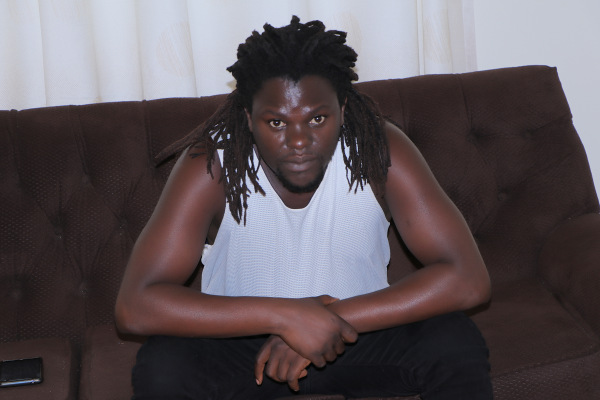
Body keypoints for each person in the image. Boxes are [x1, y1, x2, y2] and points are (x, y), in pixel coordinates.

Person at [115, 16, 493, 400]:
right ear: (249, 119)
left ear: (342, 109)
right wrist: (286, 317)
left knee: (453, 339)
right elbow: (135, 305)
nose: (299, 141)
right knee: (163, 364)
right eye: (277, 122)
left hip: (359, 334)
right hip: (241, 346)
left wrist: (330, 319)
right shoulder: (213, 163)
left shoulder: (379, 149)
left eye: (317, 118)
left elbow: (468, 279)